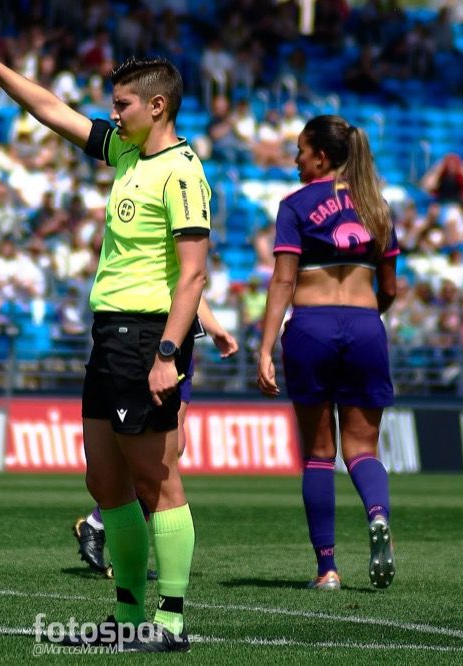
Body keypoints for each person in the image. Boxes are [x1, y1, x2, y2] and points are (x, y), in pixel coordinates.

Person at [0, 14, 208, 652]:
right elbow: (49, 109)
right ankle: (128, 617)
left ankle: (169, 622)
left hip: (147, 336)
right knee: (104, 482)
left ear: (157, 106)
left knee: (157, 482)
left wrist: (168, 354)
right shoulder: (127, 152)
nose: (112, 114)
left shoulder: (182, 172)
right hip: (108, 333)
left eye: (123, 104)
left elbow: (193, 275)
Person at [256, 115, 399, 591]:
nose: (295, 160)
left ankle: (327, 569)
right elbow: (390, 289)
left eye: (300, 151)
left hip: (312, 328)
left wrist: (265, 347)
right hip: (365, 326)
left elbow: (283, 281)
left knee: (319, 454)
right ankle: (377, 515)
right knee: (363, 450)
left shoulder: (295, 205)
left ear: (320, 156)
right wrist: (363, 321)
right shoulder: (377, 207)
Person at [72, 297, 238, 578]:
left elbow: (191, 290)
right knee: (146, 461)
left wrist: (214, 329)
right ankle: (106, 535)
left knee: (172, 449)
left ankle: (98, 525)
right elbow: (186, 283)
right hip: (156, 344)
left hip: (182, 348)